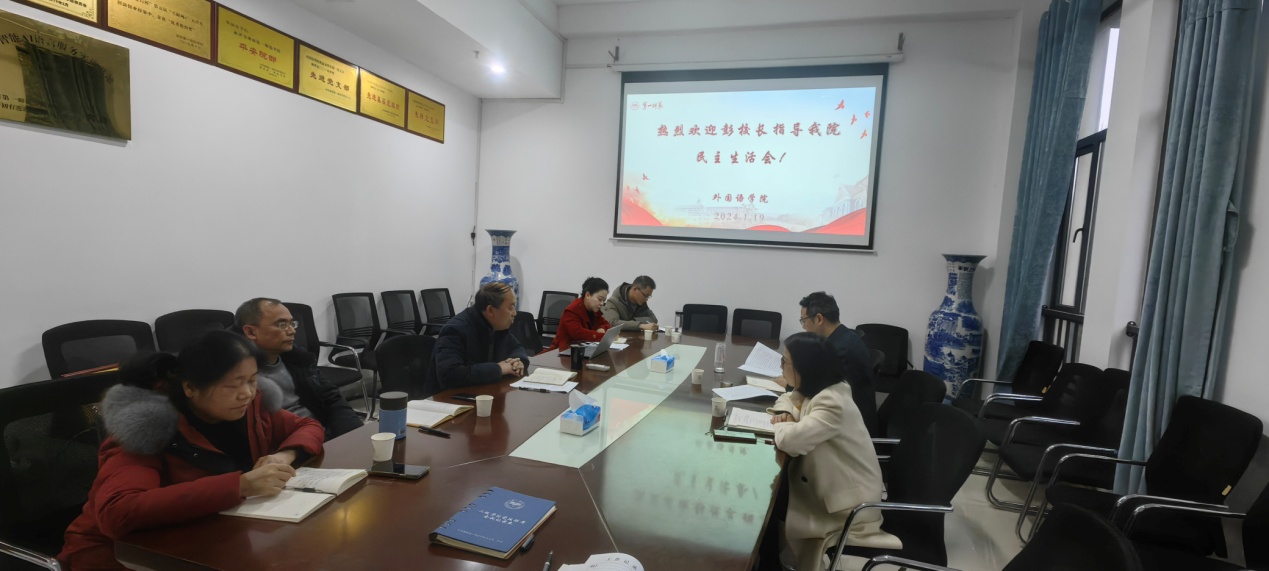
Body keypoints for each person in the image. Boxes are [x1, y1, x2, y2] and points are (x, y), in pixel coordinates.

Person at [60, 330, 325, 570]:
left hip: (205, 539)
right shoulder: (147, 429)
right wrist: (240, 486)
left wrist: (284, 455)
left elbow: (307, 426)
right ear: (190, 388)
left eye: (252, 380)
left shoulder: (249, 406)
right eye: (232, 385)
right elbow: (118, 511)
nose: (246, 393)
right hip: (121, 556)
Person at [767, 332, 900, 571]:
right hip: (831, 485)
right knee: (774, 497)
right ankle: (768, 559)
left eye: (784, 361)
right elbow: (787, 398)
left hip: (848, 505)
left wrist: (783, 425)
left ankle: (767, 561)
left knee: (772, 500)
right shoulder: (819, 388)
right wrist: (787, 414)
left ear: (804, 368)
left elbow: (792, 441)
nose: (781, 367)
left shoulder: (832, 401)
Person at [235, 297, 363, 441]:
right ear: (251, 332)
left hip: (320, 435)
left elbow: (331, 398)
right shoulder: (236, 376)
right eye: (281, 325)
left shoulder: (298, 359)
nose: (292, 331)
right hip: (290, 446)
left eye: (292, 323)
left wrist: (353, 433)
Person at [423, 282, 529, 396]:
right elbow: (449, 375)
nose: (514, 313)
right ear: (490, 310)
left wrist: (517, 362)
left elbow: (516, 347)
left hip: (485, 392)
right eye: (511, 307)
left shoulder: (496, 326)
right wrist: (499, 369)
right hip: (448, 399)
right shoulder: (455, 330)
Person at [798, 291, 879, 436]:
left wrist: (789, 381)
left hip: (850, 433)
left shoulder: (839, 350)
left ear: (819, 319)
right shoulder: (844, 336)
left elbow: (812, 390)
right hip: (844, 418)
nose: (804, 327)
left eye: (804, 321)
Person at [544, 277, 612, 354]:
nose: (602, 303)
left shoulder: (594, 310)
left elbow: (606, 324)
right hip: (562, 352)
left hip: (583, 350)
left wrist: (602, 328)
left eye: (604, 301)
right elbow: (578, 334)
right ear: (588, 295)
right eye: (600, 299)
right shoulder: (571, 311)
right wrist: (604, 337)